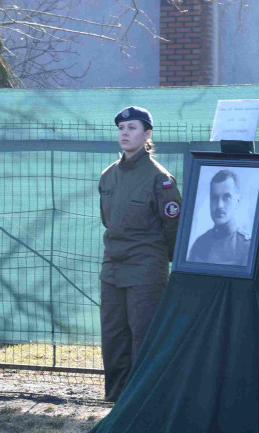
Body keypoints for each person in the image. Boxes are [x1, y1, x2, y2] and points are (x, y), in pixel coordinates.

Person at [98, 106, 182, 402]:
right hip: (112, 267)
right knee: (113, 334)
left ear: (147, 134)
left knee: (143, 335)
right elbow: (108, 221)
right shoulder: (108, 176)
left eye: (132, 128)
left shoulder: (161, 179)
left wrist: (159, 262)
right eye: (121, 127)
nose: (125, 133)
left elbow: (173, 227)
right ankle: (116, 398)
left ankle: (142, 398)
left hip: (146, 268)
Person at [188, 169, 252, 266]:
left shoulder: (246, 246)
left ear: (237, 201)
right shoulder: (200, 243)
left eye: (226, 197)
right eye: (214, 198)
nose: (219, 205)